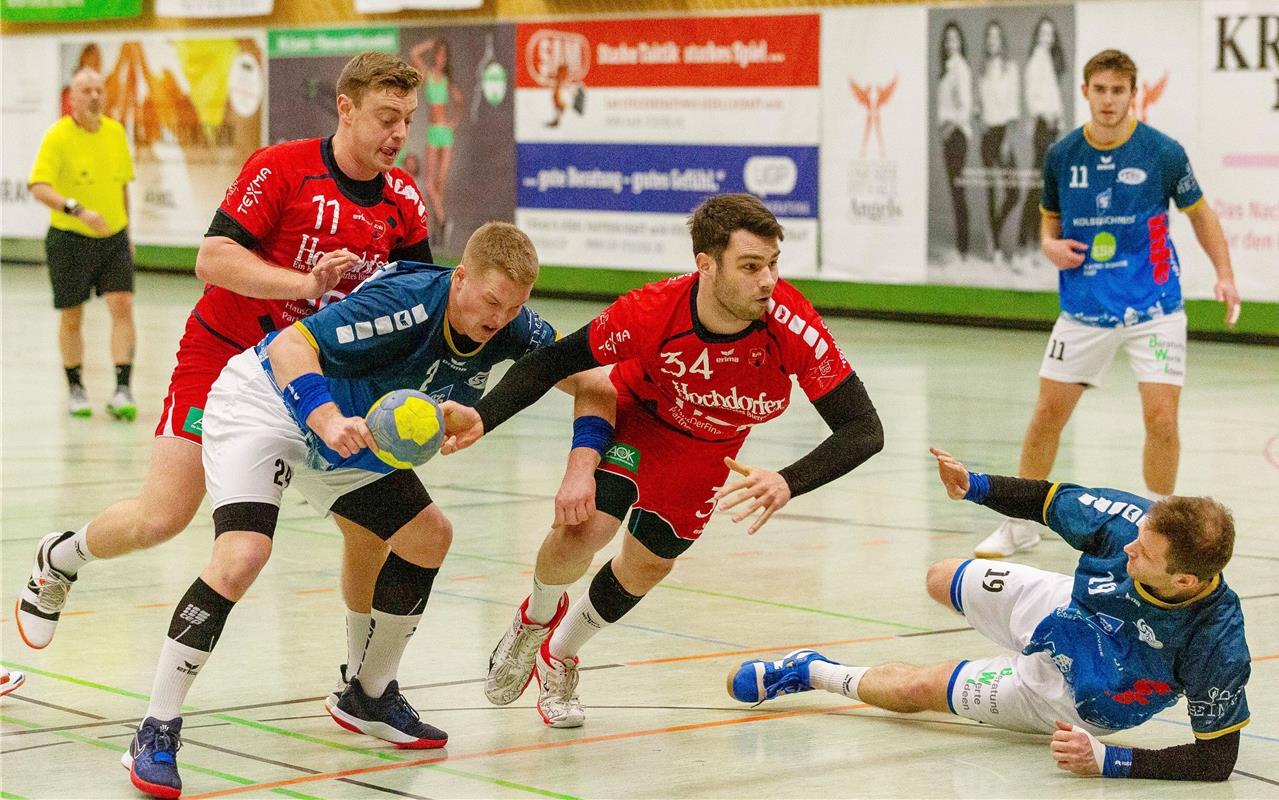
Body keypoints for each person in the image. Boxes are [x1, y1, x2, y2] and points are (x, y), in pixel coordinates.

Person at [123, 224, 617, 799]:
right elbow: (290, 347)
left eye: (514, 308)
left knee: (429, 535)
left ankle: (369, 693)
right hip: (271, 409)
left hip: (352, 439)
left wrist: (581, 464)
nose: (499, 319)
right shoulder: (405, 305)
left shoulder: (511, 326)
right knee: (242, 555)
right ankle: (156, 726)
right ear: (459, 279)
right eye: (490, 302)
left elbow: (597, 383)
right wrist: (326, 418)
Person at [16, 51, 432, 696]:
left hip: (314, 378)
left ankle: (361, 681)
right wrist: (305, 281)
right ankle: (59, 559)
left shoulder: (403, 200)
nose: (398, 134)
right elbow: (212, 259)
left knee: (371, 523)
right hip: (224, 358)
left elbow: (415, 301)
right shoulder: (281, 169)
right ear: (345, 109)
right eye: (385, 117)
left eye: (407, 118)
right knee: (164, 516)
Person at [441, 193, 885, 729]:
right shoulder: (653, 311)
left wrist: (789, 481)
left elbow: (865, 429)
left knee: (647, 565)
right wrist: (483, 417)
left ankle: (559, 653)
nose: (767, 280)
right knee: (586, 531)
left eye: (772, 265)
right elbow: (552, 362)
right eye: (749, 266)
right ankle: (534, 619)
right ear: (706, 265)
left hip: (708, 456)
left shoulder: (791, 325)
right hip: (638, 420)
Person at [729, 447, 1251, 783]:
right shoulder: (1135, 528)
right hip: (1069, 608)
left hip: (1081, 693)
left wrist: (1112, 761)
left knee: (917, 692)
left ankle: (810, 670)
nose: (1129, 547)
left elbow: (1216, 759)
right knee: (940, 575)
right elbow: (1049, 500)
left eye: (1146, 553)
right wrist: (973, 486)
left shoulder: (1217, 643)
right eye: (1138, 535)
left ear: (1185, 581)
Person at [977, 49, 1241, 558]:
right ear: (1085, 92)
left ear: (1132, 94)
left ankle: (1157, 527)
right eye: (1099, 89)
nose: (1108, 99)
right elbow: (1048, 223)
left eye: (1118, 90)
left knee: (1162, 420)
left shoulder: (1162, 152)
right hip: (1085, 310)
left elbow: (1201, 215)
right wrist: (1050, 246)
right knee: (1045, 418)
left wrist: (1225, 275)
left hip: (1154, 308)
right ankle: (1018, 524)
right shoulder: (1062, 154)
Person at [29, 67, 138, 420]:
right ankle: (76, 387)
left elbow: (123, 186)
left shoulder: (116, 133)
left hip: (114, 238)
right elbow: (39, 187)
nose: (94, 96)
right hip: (69, 239)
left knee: (122, 306)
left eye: (99, 90)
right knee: (72, 315)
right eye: (86, 91)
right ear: (72, 98)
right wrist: (76, 209)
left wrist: (128, 233)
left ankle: (122, 388)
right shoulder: (57, 137)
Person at [1019, 17, 1066, 255]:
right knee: (1038, 186)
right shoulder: (1036, 60)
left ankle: (1033, 244)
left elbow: (1053, 96)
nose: (1047, 38)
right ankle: (1022, 245)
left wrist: (1058, 117)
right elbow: (1032, 97)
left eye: (1051, 33)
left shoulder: (1047, 60)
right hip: (1042, 127)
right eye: (1043, 33)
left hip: (1051, 127)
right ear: (1037, 35)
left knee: (1045, 187)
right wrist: (1046, 115)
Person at [409, 38, 462, 245]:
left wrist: (454, 122)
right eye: (438, 54)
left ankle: (439, 229)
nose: (440, 58)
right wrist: (430, 43)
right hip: (432, 132)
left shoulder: (447, 81)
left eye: (443, 55)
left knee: (439, 184)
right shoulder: (428, 75)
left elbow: (459, 101)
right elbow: (414, 53)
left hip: (445, 133)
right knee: (430, 183)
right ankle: (443, 221)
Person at [977, 20, 1021, 267]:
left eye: (996, 37)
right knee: (991, 192)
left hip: (1003, 133)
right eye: (989, 37)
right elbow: (979, 105)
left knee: (1013, 192)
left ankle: (993, 236)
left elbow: (1013, 108)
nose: (992, 41)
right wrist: (977, 115)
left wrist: (1007, 140)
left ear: (1001, 41)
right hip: (987, 134)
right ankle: (993, 246)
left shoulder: (1010, 68)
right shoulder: (982, 70)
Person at [936, 22, 974, 264]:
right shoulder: (948, 68)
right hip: (948, 136)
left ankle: (963, 249)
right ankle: (961, 247)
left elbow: (966, 107)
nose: (951, 44)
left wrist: (950, 127)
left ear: (960, 42)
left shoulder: (961, 68)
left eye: (955, 39)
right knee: (954, 192)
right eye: (948, 40)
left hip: (957, 136)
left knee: (958, 192)